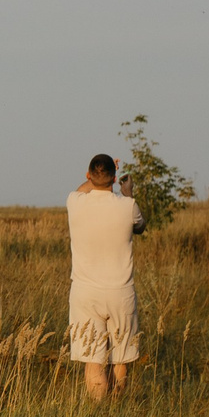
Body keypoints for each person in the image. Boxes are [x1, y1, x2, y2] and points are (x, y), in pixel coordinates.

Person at [66, 151, 145, 399]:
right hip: (121, 293)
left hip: (85, 294)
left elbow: (83, 188)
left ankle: (98, 414)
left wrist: (96, 178)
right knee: (120, 358)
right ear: (114, 179)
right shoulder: (127, 205)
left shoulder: (75, 202)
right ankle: (116, 409)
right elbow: (140, 227)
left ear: (89, 175)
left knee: (93, 360)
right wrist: (128, 191)